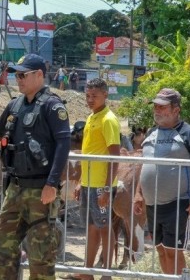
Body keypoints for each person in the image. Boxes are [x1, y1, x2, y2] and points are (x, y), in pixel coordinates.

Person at [0, 53, 71, 280]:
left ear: (39, 75)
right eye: (16, 74)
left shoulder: (52, 106)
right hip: (14, 189)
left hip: (41, 191)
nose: (19, 78)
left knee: (40, 258)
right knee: (2, 250)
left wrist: (52, 184)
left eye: (23, 74)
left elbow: (64, 143)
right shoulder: (14, 105)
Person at [133, 88, 190, 275]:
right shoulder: (151, 132)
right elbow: (145, 164)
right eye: (156, 106)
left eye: (162, 107)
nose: (157, 110)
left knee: (173, 251)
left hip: (179, 203)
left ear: (176, 110)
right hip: (152, 204)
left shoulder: (189, 134)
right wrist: (138, 193)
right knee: (160, 250)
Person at [71, 78, 121, 280]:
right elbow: (88, 152)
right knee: (91, 228)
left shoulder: (109, 119)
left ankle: (106, 273)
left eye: (94, 96)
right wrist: (80, 182)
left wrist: (107, 188)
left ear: (105, 95)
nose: (90, 100)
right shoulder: (92, 117)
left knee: (104, 227)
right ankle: (87, 271)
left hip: (102, 186)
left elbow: (114, 155)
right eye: (88, 96)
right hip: (88, 184)